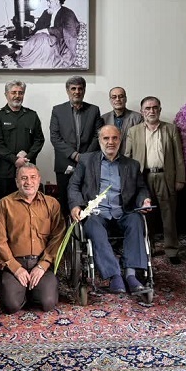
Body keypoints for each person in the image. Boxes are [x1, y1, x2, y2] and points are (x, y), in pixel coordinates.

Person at [68, 125, 153, 294]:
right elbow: (73, 186)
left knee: (136, 221)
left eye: (114, 138)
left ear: (120, 140)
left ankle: (131, 274)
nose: (110, 142)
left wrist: (145, 200)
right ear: (100, 140)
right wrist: (76, 205)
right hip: (97, 214)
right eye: (106, 138)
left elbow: (141, 188)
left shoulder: (132, 165)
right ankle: (115, 276)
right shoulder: (86, 160)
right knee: (93, 226)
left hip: (123, 212)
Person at [0, 163, 66, 314]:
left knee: (48, 303)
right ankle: (23, 291)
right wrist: (16, 268)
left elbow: (58, 236)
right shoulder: (4, 204)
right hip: (14, 263)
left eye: (33, 177)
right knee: (10, 306)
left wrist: (43, 265)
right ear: (17, 182)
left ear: (39, 180)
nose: (28, 182)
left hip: (41, 263)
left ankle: (33, 291)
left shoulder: (52, 204)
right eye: (24, 178)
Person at [125, 97, 186, 264]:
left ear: (159, 109)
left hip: (165, 177)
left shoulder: (170, 129)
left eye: (154, 107)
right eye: (147, 108)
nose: (151, 111)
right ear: (142, 111)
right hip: (142, 178)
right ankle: (148, 247)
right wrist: (128, 181)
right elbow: (127, 158)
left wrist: (180, 179)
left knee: (169, 215)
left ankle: (172, 250)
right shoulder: (133, 131)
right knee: (146, 215)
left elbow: (179, 157)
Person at [50, 76, 103, 215]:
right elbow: (55, 137)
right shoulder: (58, 110)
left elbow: (98, 135)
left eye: (80, 88)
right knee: (65, 201)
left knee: (87, 200)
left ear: (84, 90)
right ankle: (67, 228)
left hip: (88, 163)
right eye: (73, 88)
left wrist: (84, 157)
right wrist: (74, 155)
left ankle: (86, 228)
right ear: (67, 91)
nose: (77, 92)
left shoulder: (94, 110)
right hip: (64, 164)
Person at [0, 80, 45, 202]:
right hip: (4, 172)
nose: (17, 96)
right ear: (6, 94)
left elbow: (39, 140)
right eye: (13, 92)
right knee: (4, 205)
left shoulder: (32, 116)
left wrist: (27, 158)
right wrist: (15, 160)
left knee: (27, 204)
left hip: (27, 171)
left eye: (20, 93)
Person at [18, 0, 80, 69]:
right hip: (44, 42)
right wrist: (33, 26)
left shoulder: (67, 13)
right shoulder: (46, 13)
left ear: (57, 2)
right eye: (47, 1)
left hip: (60, 46)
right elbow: (38, 29)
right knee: (37, 39)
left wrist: (47, 30)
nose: (47, 4)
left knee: (43, 39)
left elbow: (69, 31)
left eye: (49, 1)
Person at [101, 86, 143, 155]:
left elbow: (140, 142)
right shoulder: (103, 118)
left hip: (130, 157)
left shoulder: (137, 118)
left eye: (121, 96)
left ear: (125, 99)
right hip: (109, 157)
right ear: (110, 100)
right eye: (114, 97)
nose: (117, 99)